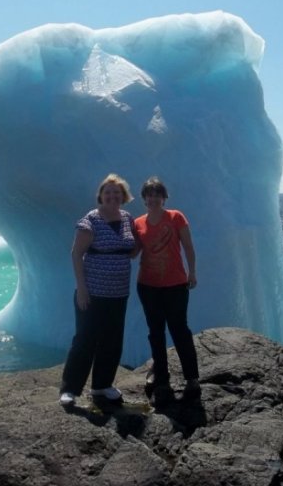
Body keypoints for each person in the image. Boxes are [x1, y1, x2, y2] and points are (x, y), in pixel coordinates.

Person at [59, 173, 136, 407]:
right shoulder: (91, 219)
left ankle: (102, 385)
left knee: (112, 340)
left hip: (118, 292)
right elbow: (76, 253)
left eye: (116, 192)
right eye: (107, 192)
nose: (112, 196)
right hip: (92, 293)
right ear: (100, 196)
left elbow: (131, 249)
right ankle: (70, 389)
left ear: (123, 196)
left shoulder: (126, 218)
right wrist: (81, 289)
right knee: (85, 339)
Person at [135, 176, 200, 404]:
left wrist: (192, 272)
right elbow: (133, 252)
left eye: (157, 194)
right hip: (148, 285)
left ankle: (192, 378)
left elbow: (188, 247)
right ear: (144, 198)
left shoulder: (175, 217)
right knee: (155, 331)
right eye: (149, 194)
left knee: (179, 330)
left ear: (164, 197)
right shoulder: (138, 223)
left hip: (175, 285)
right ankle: (161, 376)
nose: (153, 198)